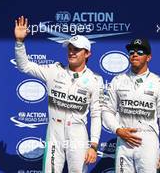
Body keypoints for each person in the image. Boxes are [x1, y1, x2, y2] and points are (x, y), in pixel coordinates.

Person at [14, 16, 104, 173]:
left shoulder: (95, 80)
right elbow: (24, 66)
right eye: (70, 48)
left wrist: (94, 146)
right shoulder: (54, 71)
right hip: (54, 134)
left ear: (87, 53)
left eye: (76, 49)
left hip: (78, 135)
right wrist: (20, 43)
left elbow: (96, 115)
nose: (71, 52)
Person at [102, 38, 160, 173]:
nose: (134, 54)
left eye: (140, 52)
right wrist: (118, 130)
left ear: (148, 57)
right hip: (124, 141)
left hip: (148, 143)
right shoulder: (118, 80)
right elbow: (107, 111)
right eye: (131, 52)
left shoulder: (159, 83)